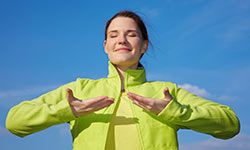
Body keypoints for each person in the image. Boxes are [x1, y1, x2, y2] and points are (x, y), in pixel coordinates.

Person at [6, 10, 240, 150]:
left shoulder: (166, 93)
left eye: (131, 34)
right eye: (113, 35)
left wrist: (175, 111)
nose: (122, 40)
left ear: (144, 46)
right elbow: (15, 122)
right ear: (105, 46)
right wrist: (67, 110)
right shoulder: (79, 89)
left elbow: (230, 125)